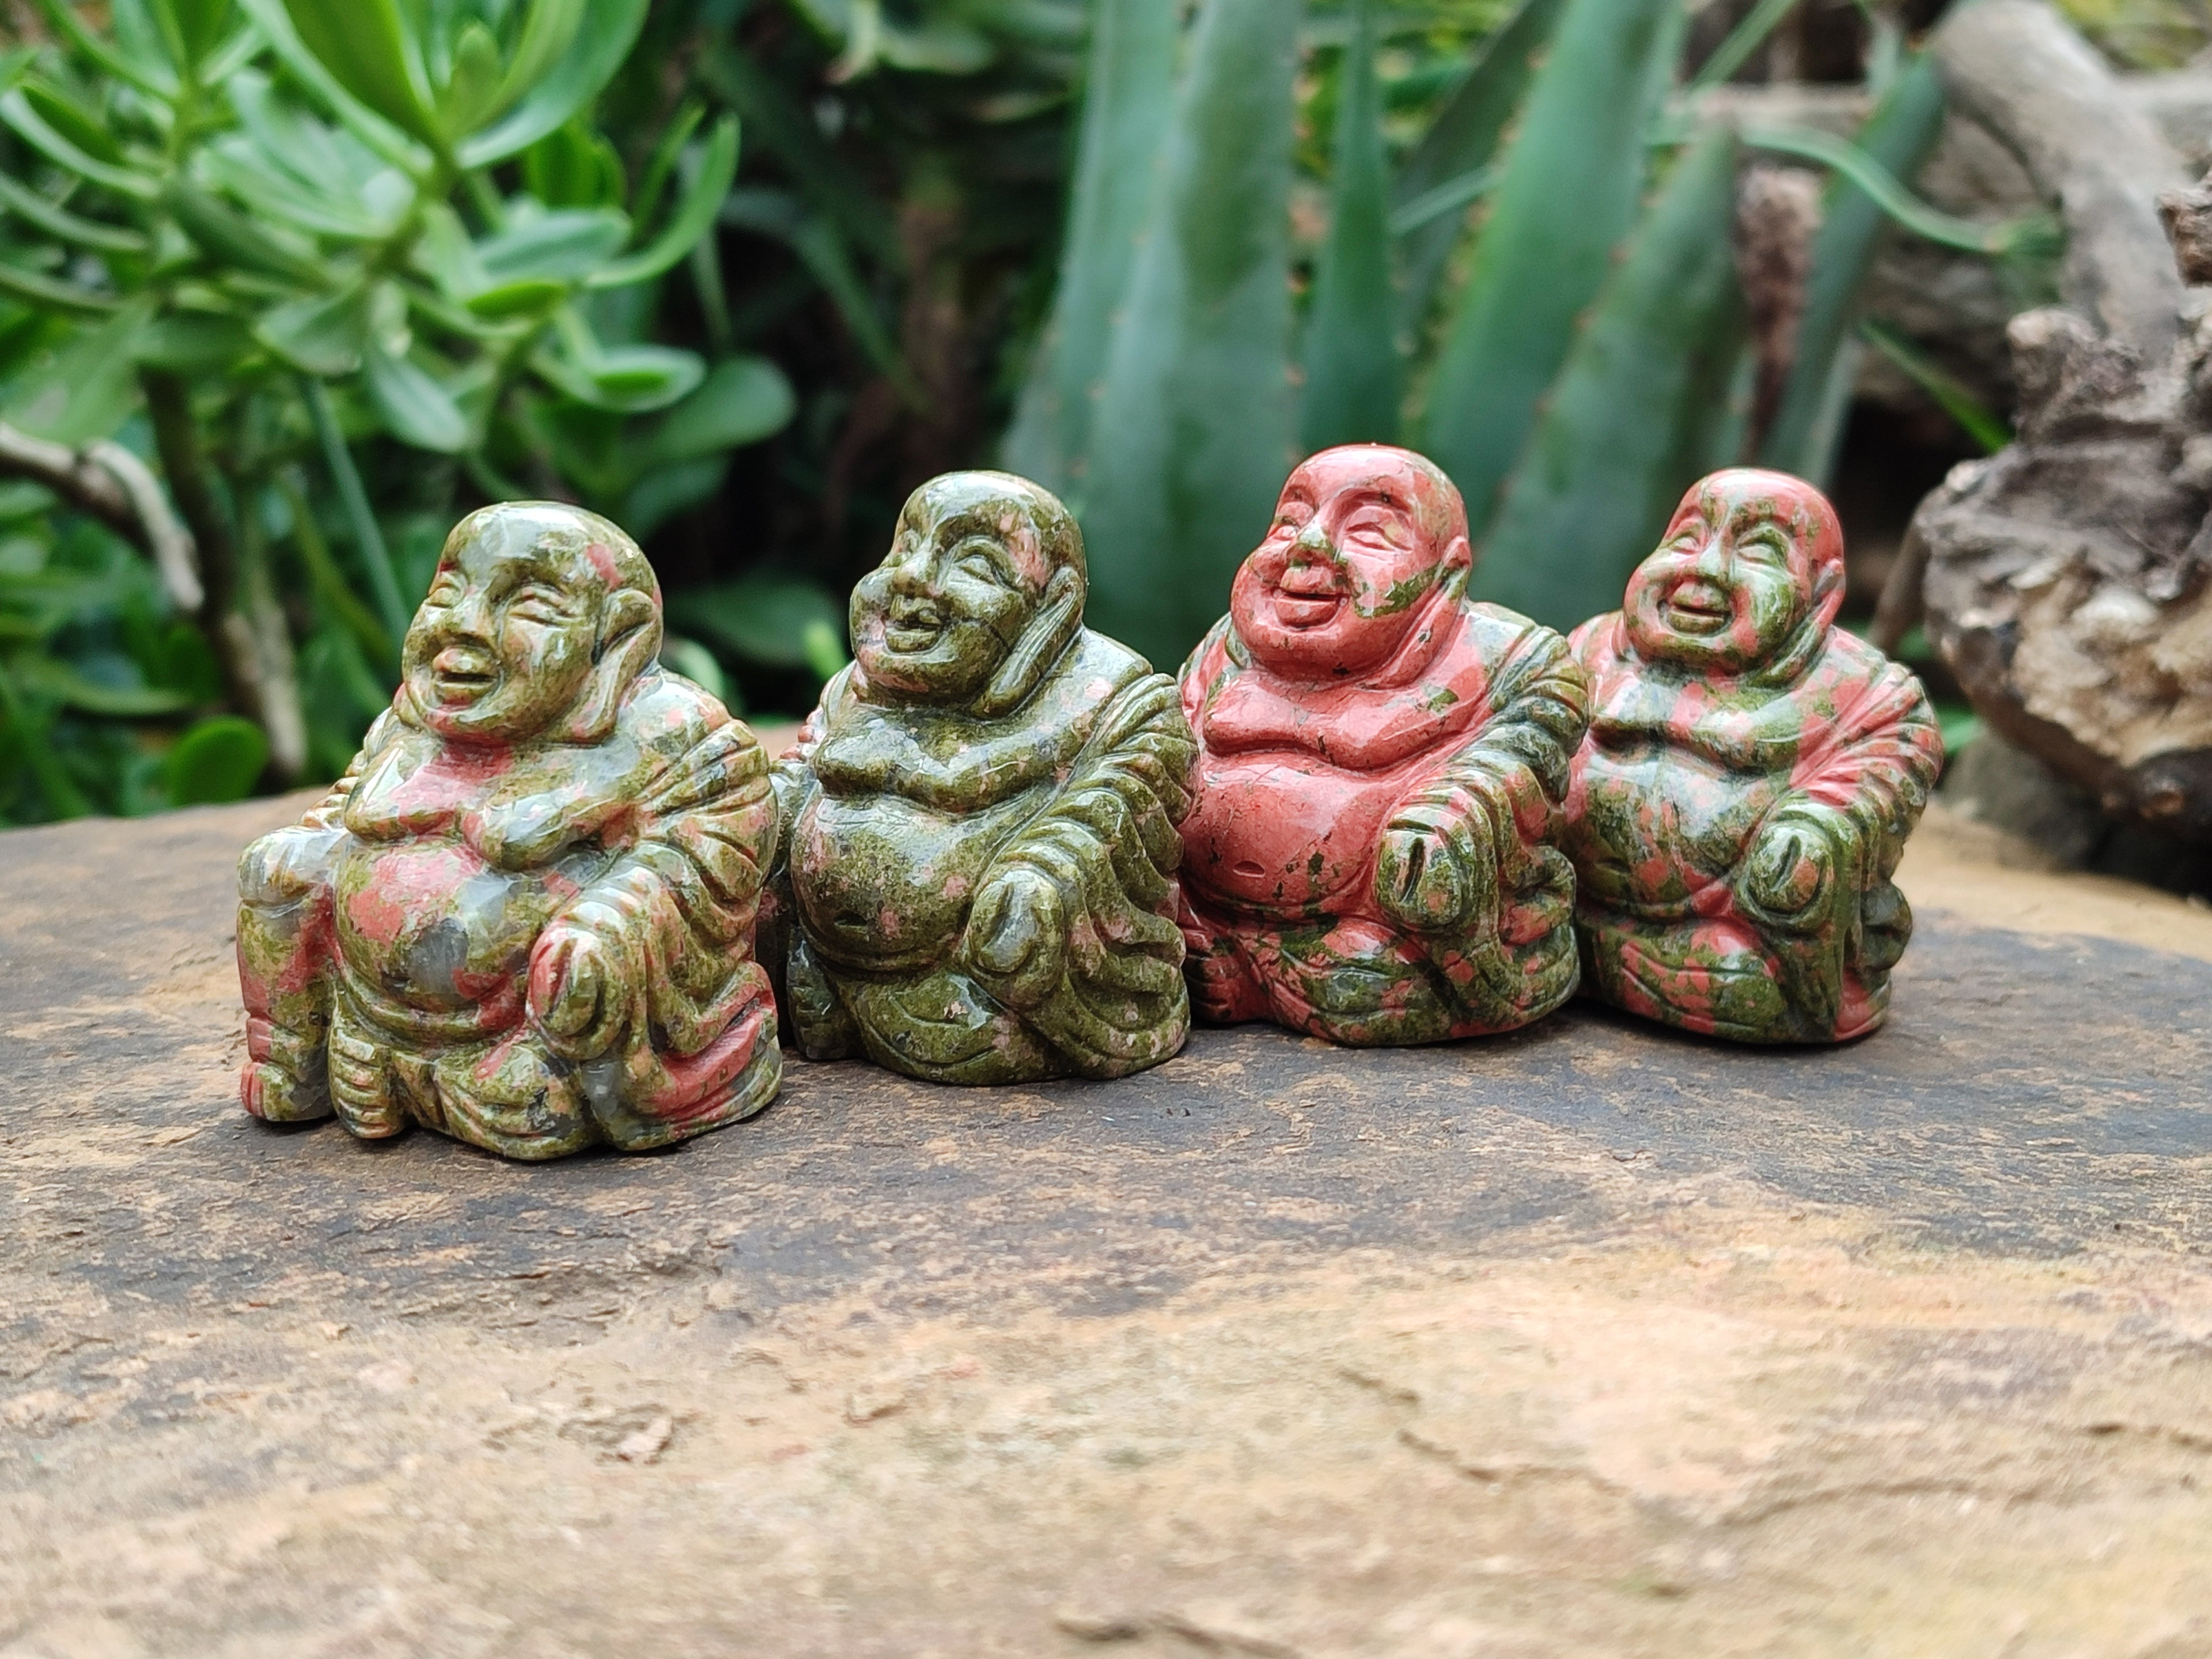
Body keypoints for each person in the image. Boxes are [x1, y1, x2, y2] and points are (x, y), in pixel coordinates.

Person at [234, 502, 780, 1158]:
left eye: (528, 604)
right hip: (369, 1024)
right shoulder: (409, 729)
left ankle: (552, 1073)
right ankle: (294, 1058)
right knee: (277, 866)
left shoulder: (667, 733)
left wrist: (609, 924)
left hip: (541, 1041)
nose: (463, 626)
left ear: (617, 640)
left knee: (583, 978)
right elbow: (341, 816)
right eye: (447, 594)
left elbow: (716, 846)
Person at [766, 471, 1196, 1085]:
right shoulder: (855, 689)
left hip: (982, 995)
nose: (914, 577)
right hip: (822, 979)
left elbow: (1115, 807)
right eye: (906, 547)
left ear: (1052, 606)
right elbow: (801, 772)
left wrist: (1036, 883)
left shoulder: (1119, 702)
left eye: (972, 563)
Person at [1177, 444, 1588, 1046]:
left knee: (1363, 980)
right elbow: (1167, 745)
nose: (1309, 544)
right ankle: (1241, 969)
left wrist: (1458, 809)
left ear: (1446, 573)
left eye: (1369, 532)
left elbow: (1531, 756)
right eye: (1289, 523)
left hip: (1391, 935)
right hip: (1209, 920)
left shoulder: (1510, 660)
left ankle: (1279, 976)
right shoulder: (1225, 648)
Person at [1563, 468, 1944, 1043]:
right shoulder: (1593, 646)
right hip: (1572, 907)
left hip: (1736, 934)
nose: (1706, 568)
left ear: (1822, 594)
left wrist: (1813, 827)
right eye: (1688, 538)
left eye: (1759, 551)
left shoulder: (1868, 695)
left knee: (1746, 984)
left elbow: (1876, 780)